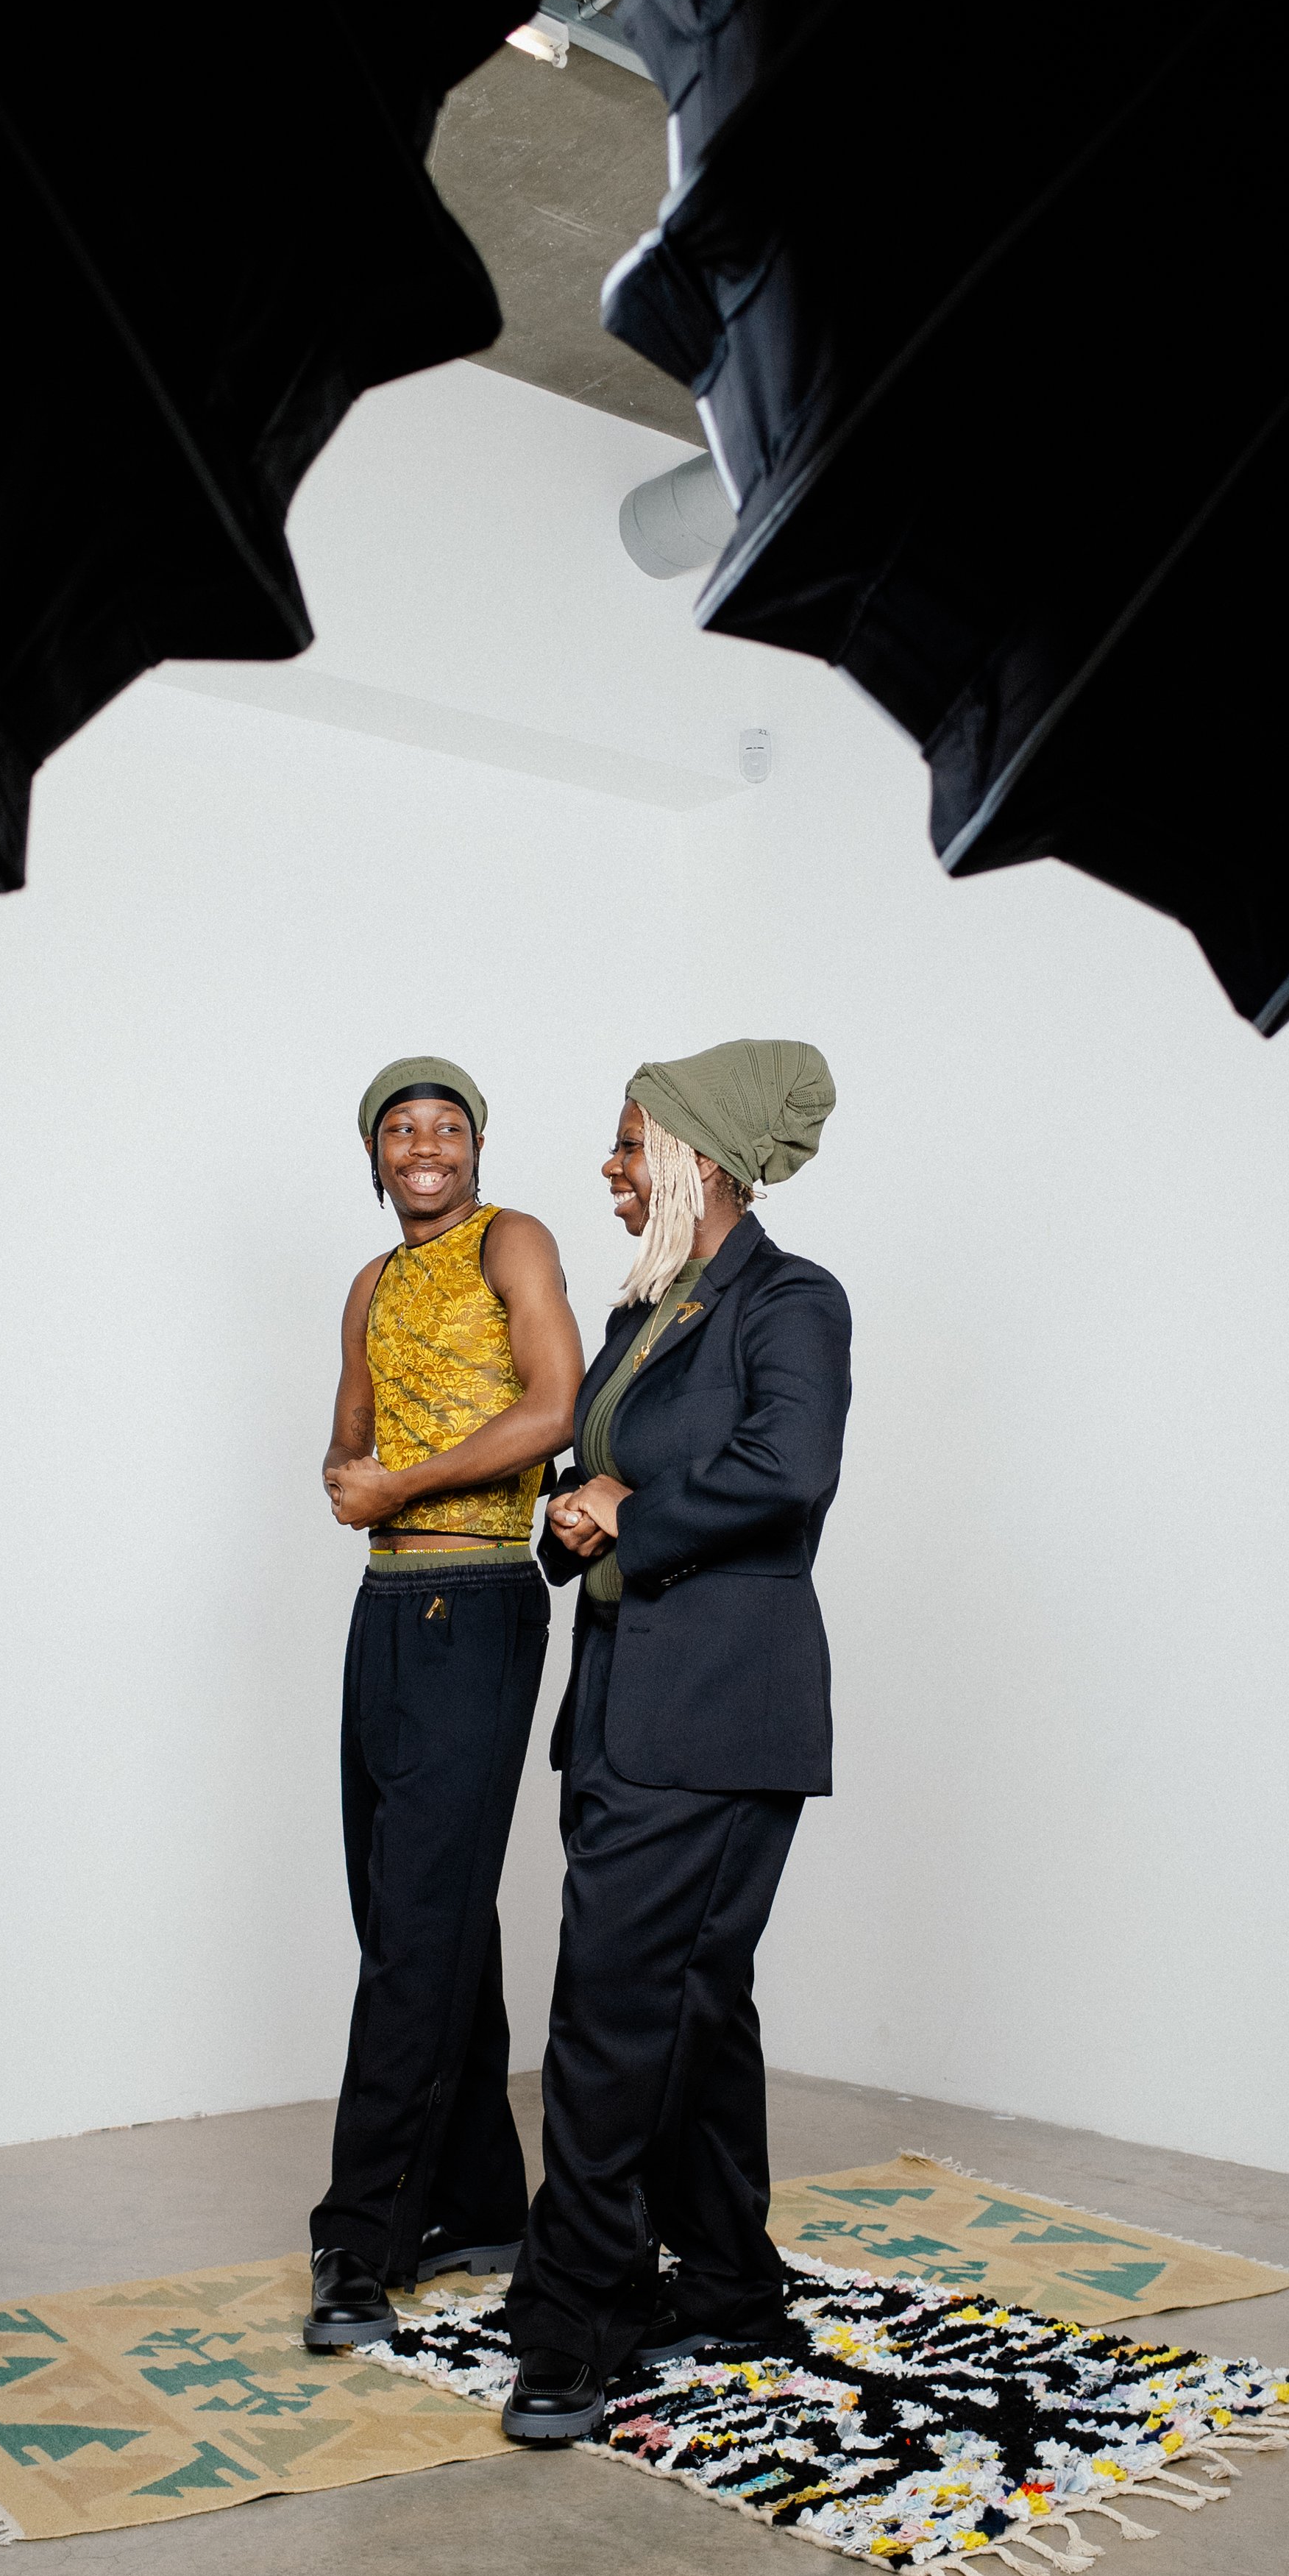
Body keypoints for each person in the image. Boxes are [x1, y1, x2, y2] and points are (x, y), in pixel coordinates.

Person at [499, 1038, 850, 2441]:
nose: (609, 1161)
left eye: (630, 1139)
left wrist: (627, 1506)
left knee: (609, 2014)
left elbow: (790, 1467)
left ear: (696, 1159)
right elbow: (601, 1474)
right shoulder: (658, 1308)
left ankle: (574, 2320)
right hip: (628, 1708)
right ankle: (731, 2285)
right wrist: (586, 1503)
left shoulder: (790, 1299)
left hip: (718, 1713)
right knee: (693, 2008)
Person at [305, 1056, 584, 2352]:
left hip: (475, 1607)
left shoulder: (508, 1242)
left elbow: (554, 1405)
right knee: (408, 1909)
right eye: (402, 1130)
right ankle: (478, 2201)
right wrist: (346, 1472)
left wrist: (401, 1481)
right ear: (375, 1158)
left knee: (417, 1925)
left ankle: (356, 2241)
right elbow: (348, 1433)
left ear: (477, 1148)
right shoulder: (369, 1283)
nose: (427, 1145)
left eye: (449, 1126)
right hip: (381, 1610)